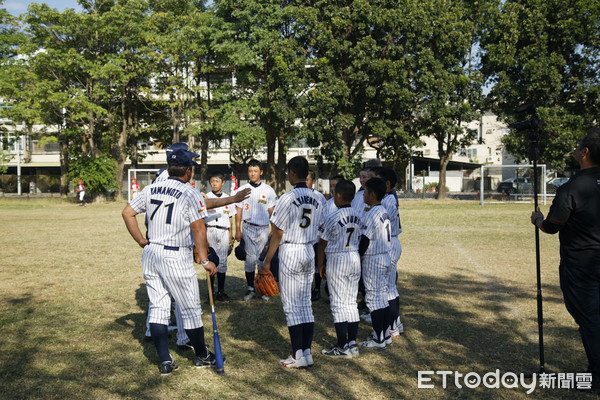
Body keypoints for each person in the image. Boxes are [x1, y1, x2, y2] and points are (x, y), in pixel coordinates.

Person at [122, 146, 220, 375]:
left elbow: (127, 212)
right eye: (191, 168)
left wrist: (140, 240)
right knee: (191, 309)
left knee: (158, 308)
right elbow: (198, 228)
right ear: (187, 171)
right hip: (176, 255)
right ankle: (202, 355)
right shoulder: (190, 193)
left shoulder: (151, 188)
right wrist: (205, 260)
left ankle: (166, 361)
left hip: (152, 252)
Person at [531, 128, 600, 391]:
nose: (577, 146)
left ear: (585, 152)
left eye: (580, 143)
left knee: (590, 319)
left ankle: (597, 374)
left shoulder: (572, 188)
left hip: (580, 266)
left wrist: (537, 219)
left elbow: (552, 225)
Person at [262, 156, 324, 368]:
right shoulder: (319, 197)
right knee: (305, 304)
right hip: (309, 250)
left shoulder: (287, 198)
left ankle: (297, 354)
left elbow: (277, 232)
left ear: (291, 173)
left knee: (291, 307)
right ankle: (306, 353)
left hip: (290, 251)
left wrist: (267, 261)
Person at [318, 179, 362, 358]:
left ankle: (342, 346)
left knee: (338, 304)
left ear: (338, 195)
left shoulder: (332, 217)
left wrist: (320, 264)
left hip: (338, 258)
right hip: (354, 256)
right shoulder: (359, 215)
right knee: (351, 302)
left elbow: (322, 243)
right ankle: (352, 343)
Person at [234, 159, 277, 301]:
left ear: (261, 172)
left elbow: (272, 211)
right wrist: (238, 229)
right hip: (248, 227)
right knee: (250, 261)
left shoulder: (268, 190)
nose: (253, 174)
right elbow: (238, 211)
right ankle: (251, 288)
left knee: (262, 260)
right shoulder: (242, 190)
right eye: (250, 171)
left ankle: (263, 289)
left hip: (264, 228)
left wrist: (274, 228)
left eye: (255, 171)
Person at [358, 177, 392, 350]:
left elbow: (364, 240)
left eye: (365, 192)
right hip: (385, 256)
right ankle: (384, 334)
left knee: (373, 299)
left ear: (372, 194)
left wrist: (357, 257)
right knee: (382, 298)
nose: (363, 195)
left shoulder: (371, 213)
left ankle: (378, 338)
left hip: (374, 258)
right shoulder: (382, 210)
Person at [377, 168, 404, 337]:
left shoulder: (387, 200)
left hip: (389, 242)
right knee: (390, 287)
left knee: (388, 288)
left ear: (386, 184)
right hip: (392, 240)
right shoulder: (389, 198)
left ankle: (392, 325)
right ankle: (395, 324)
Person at [206, 170, 234, 301]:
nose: (214, 184)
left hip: (223, 231)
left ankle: (221, 291)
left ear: (223, 183)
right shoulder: (206, 197)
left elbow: (231, 218)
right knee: (210, 261)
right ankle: (210, 292)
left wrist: (231, 236)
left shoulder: (228, 198)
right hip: (210, 230)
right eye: (212, 181)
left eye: (217, 181)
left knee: (222, 262)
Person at [306, 170, 327, 301]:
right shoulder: (297, 194)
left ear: (313, 181)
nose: (305, 181)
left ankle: (317, 288)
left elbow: (323, 216)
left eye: (308, 179)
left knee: (316, 263)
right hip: (303, 234)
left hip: (316, 234)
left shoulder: (319, 197)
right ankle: (306, 289)